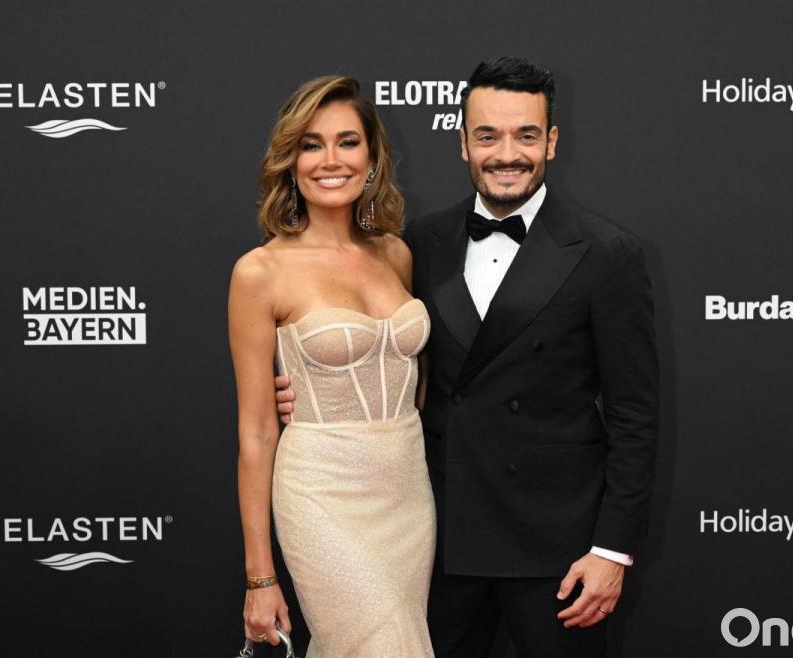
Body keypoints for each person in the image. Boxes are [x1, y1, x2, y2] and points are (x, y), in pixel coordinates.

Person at [278, 56, 659, 657]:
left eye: (526, 135)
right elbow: (389, 354)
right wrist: (311, 392)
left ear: (552, 142)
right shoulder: (417, 246)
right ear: (462, 144)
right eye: (487, 136)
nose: (507, 154)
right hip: (436, 538)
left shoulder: (607, 253)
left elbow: (635, 416)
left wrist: (611, 550)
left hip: (559, 550)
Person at [228, 75, 436, 657]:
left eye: (348, 142)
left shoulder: (395, 253)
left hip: (406, 491)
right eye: (311, 145)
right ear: (290, 161)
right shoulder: (260, 272)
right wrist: (260, 578)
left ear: (371, 157)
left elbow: (412, 379)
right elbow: (256, 431)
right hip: (321, 491)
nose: (330, 160)